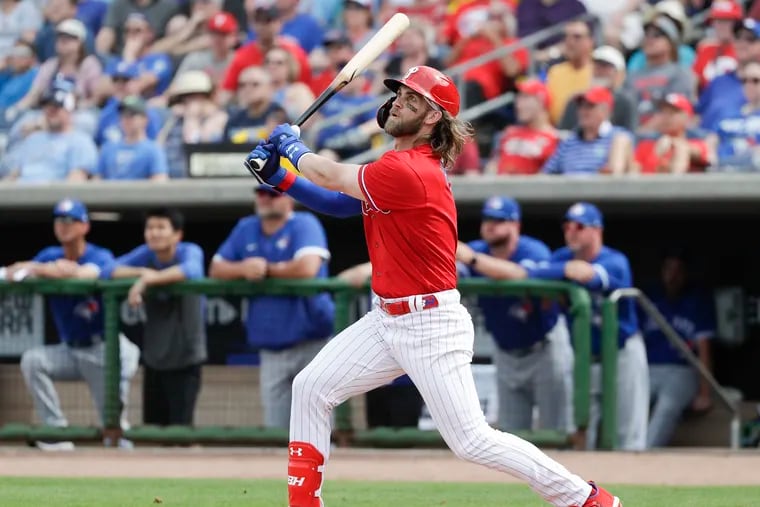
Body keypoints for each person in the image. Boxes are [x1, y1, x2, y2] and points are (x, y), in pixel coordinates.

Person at [245, 65, 622, 507]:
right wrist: (281, 177)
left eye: (413, 99)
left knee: (472, 441)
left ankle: (586, 499)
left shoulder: (411, 170)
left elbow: (331, 177)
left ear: (430, 118)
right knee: (311, 388)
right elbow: (337, 204)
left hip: (430, 324)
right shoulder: (392, 168)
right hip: (386, 319)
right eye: (400, 93)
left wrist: (292, 147)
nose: (400, 101)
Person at [4, 198, 140, 448]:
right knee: (33, 361)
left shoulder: (99, 254)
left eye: (70, 221)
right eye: (59, 220)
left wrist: (46, 270)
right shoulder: (49, 255)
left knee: (114, 431)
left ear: (84, 226)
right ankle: (56, 432)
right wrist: (45, 267)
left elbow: (88, 274)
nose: (63, 225)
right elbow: (15, 271)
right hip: (70, 350)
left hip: (103, 351)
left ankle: (132, 472)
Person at [208, 185, 334, 430]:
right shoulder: (246, 227)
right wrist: (243, 269)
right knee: (278, 430)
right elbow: (216, 269)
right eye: (261, 193)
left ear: (288, 199)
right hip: (272, 345)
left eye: (272, 194)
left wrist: (267, 269)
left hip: (313, 342)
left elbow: (307, 268)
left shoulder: (304, 223)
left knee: (320, 425)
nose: (265, 199)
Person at [526, 202, 648, 452]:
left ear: (597, 230)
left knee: (628, 436)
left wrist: (566, 273)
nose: (571, 231)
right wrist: (566, 269)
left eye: (579, 226)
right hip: (584, 358)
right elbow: (531, 272)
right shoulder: (562, 257)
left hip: (621, 353)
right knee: (580, 435)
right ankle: (586, 491)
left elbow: (591, 277)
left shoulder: (615, 260)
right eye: (567, 226)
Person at [455, 196, 574, 434]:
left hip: (545, 347)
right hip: (506, 351)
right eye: (488, 219)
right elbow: (453, 272)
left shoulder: (532, 249)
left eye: (499, 220)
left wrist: (473, 259)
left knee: (557, 430)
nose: (491, 225)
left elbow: (520, 274)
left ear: (515, 226)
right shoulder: (477, 249)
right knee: (511, 432)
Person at [106, 208, 207, 427]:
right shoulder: (146, 255)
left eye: (161, 228)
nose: (154, 233)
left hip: (186, 358)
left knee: (180, 431)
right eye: (150, 228)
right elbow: (108, 270)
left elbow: (192, 270)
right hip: (155, 358)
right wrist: (142, 274)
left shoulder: (189, 250)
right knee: (153, 429)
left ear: (177, 234)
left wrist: (149, 281)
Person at [642, 251, 715, 448]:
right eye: (668, 269)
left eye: (678, 271)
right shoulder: (650, 297)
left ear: (685, 274)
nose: (672, 276)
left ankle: (643, 455)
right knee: (632, 402)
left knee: (667, 405)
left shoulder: (697, 301)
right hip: (649, 369)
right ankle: (619, 452)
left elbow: (704, 350)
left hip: (682, 371)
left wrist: (705, 393)